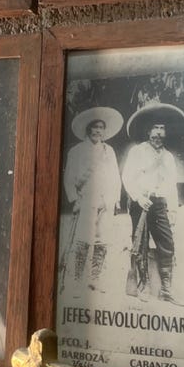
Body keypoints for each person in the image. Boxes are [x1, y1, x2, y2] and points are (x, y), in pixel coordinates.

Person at [121, 103, 184, 303]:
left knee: (167, 242)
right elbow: (127, 177)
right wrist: (139, 198)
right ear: (148, 131)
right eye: (155, 128)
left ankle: (166, 288)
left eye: (162, 128)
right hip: (140, 202)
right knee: (140, 243)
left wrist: (173, 209)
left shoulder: (167, 157)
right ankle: (143, 285)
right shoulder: (137, 152)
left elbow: (171, 184)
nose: (159, 132)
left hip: (159, 203)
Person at [61, 107, 124, 294]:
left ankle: (95, 279)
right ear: (88, 130)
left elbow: (115, 177)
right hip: (85, 200)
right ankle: (78, 281)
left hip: (105, 201)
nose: (98, 131)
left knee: (101, 241)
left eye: (101, 128)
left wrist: (113, 200)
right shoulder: (77, 151)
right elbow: (69, 177)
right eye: (95, 127)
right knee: (82, 241)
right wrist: (74, 199)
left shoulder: (109, 151)